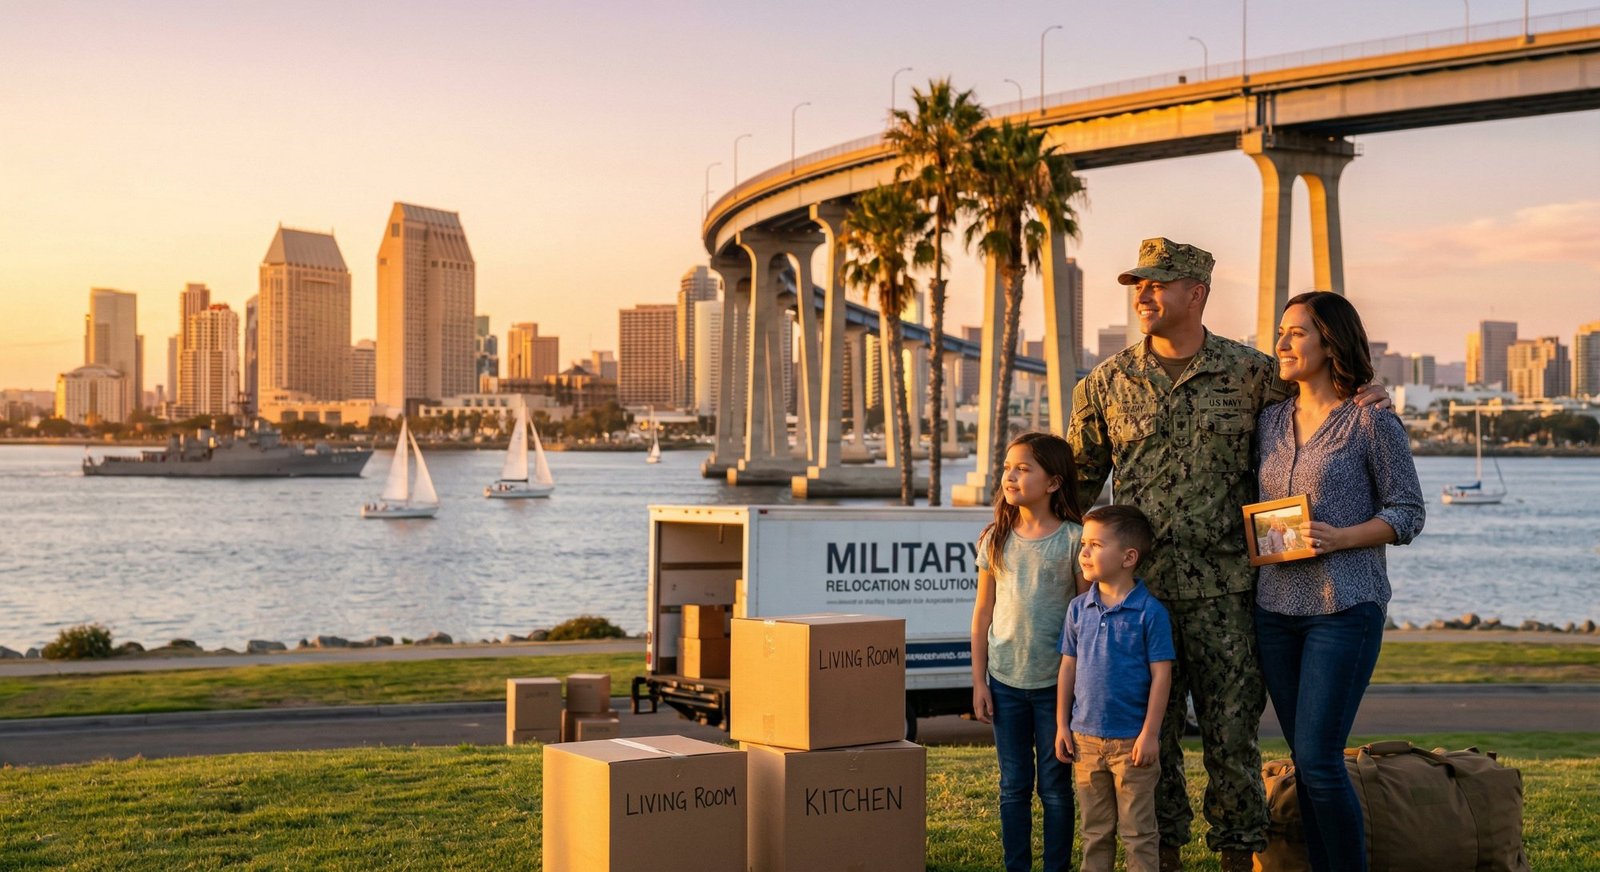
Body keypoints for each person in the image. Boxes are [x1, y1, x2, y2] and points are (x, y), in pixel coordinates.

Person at [1066, 237, 1390, 872]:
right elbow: (1077, 492)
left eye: (1158, 284)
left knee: (1233, 746)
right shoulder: (1103, 385)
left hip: (1232, 598)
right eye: (1138, 285)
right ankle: (1160, 861)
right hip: (1141, 602)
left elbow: (1320, 407)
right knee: (1147, 747)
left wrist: (1368, 395)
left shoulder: (1253, 374)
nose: (1144, 295)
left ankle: (1240, 862)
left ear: (1197, 293)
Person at [1255, 291, 1425, 872]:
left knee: (1320, 757)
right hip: (1274, 610)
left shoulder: (1371, 419)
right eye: (1281, 332)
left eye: (1296, 333)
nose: (1281, 344)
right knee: (1305, 763)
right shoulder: (1269, 420)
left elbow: (1408, 512)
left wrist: (1342, 536)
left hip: (1344, 608)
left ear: (1330, 342)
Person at [972, 431, 1087, 872]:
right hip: (1004, 682)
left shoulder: (1075, 540)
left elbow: (1084, 619)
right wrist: (979, 681)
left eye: (1024, 468)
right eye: (1007, 467)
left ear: (1054, 483)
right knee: (1013, 786)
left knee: (1055, 789)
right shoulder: (995, 538)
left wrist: (1078, 687)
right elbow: (983, 613)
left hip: (1055, 688)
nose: (1011, 476)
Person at [1056, 504, 1174, 872]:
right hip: (1086, 741)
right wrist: (1063, 725)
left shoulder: (1150, 613)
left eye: (1095, 544)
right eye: (1083, 545)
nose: (1084, 553)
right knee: (1095, 833)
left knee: (1138, 833)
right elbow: (1068, 668)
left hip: (1131, 745)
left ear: (1128, 557)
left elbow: (1162, 676)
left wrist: (1150, 734)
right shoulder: (1078, 609)